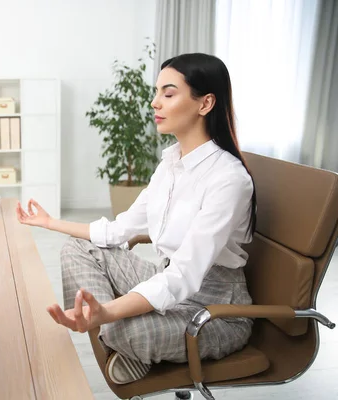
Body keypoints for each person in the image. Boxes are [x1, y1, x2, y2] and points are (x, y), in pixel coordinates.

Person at [16, 53, 257, 384]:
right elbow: (119, 231)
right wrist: (48, 222)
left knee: (128, 327)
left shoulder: (228, 179)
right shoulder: (170, 165)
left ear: (205, 103)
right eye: (156, 92)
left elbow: (186, 275)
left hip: (215, 313)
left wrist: (107, 313)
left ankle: (116, 334)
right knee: (78, 248)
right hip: (167, 278)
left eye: (168, 93)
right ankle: (114, 332)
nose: (155, 103)